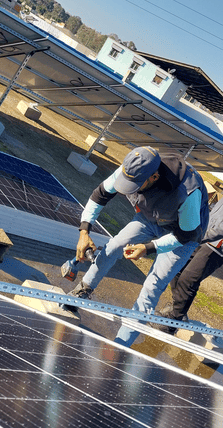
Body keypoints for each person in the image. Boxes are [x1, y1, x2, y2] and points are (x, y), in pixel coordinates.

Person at [67, 146, 209, 344]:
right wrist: (84, 231)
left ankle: (122, 343)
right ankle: (81, 292)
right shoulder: (134, 166)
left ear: (154, 177)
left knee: (153, 286)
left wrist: (149, 248)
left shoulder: (187, 192)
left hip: (182, 235)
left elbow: (185, 236)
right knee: (115, 245)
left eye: (135, 184)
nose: (128, 187)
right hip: (151, 218)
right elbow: (100, 195)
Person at [159, 195, 223, 322]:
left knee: (188, 279)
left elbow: (220, 229)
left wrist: (198, 235)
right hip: (203, 235)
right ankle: (178, 310)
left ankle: (172, 322)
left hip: (216, 246)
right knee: (177, 268)